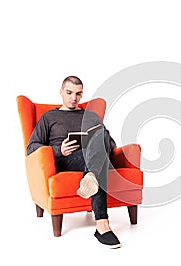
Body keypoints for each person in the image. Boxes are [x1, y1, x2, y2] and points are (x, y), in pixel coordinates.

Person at [27, 76, 121, 248]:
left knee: (103, 135)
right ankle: (102, 225)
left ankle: (90, 175)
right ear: (61, 92)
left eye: (78, 94)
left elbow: (112, 144)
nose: (73, 98)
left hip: (93, 158)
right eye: (69, 93)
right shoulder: (49, 117)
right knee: (98, 162)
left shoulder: (90, 116)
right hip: (67, 160)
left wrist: (98, 139)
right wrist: (58, 150)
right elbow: (31, 147)